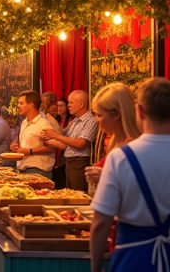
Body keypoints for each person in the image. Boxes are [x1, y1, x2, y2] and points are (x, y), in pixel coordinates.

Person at [90, 77, 170, 272]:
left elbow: (101, 222)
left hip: (133, 254)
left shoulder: (122, 157)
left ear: (140, 111)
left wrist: (95, 266)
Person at [42, 90, 98, 192]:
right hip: (69, 164)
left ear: (81, 105)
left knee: (79, 197)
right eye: (68, 102)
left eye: (71, 102)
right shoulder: (75, 121)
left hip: (79, 164)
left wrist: (56, 136)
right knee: (71, 195)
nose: (69, 106)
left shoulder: (90, 120)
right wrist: (48, 140)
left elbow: (80, 143)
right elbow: (66, 144)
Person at [10, 90, 56, 179]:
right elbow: (24, 146)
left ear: (31, 105)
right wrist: (15, 147)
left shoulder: (44, 124)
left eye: (21, 103)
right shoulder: (24, 122)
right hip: (22, 168)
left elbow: (52, 147)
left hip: (38, 170)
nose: (18, 106)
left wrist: (30, 151)